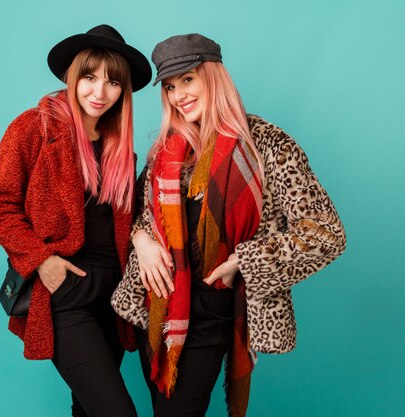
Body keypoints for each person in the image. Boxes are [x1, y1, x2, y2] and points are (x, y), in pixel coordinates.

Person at [111, 33, 347, 417]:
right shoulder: (167, 150)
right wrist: (141, 240)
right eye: (170, 86)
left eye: (188, 79)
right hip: (157, 308)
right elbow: (139, 212)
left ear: (213, 76)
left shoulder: (267, 145)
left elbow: (325, 233)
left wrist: (246, 260)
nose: (179, 95)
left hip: (212, 312)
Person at [0, 24, 151, 417]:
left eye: (111, 82)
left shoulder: (119, 146)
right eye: (89, 77)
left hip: (116, 294)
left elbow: (129, 220)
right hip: (67, 292)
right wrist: (41, 259)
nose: (99, 91)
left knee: (87, 408)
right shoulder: (33, 127)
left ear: (123, 90)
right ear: (70, 77)